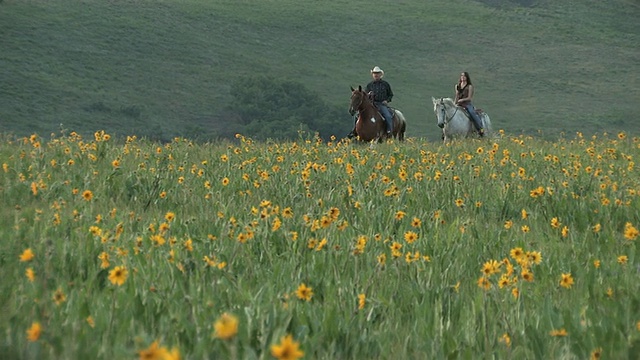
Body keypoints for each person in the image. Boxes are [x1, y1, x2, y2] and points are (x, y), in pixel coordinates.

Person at [347, 66, 394, 138]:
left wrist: (386, 100)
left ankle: (389, 131)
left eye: (377, 73)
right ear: (372, 75)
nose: (376, 75)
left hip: (381, 104)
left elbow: (390, 95)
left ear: (380, 74)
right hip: (371, 104)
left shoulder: (385, 84)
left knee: (387, 115)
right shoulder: (369, 85)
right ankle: (354, 131)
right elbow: (365, 95)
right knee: (357, 116)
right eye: (374, 73)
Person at [454, 71, 484, 136]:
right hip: (459, 104)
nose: (463, 77)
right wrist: (454, 103)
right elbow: (456, 96)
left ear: (467, 77)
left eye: (464, 76)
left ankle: (480, 128)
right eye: (461, 76)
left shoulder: (469, 86)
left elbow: (469, 98)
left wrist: (462, 100)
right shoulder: (457, 86)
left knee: (472, 113)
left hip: (466, 104)